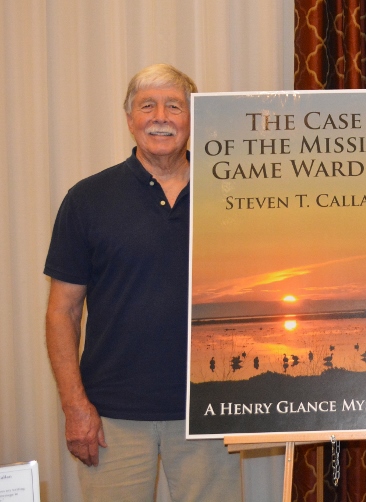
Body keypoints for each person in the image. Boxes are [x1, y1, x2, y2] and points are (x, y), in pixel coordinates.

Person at [44, 64, 241, 501]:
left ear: (193, 119)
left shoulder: (232, 194)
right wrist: (75, 407)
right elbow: (62, 311)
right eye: (147, 105)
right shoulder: (87, 199)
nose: (161, 116)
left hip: (210, 411)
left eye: (175, 105)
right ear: (129, 118)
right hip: (111, 419)